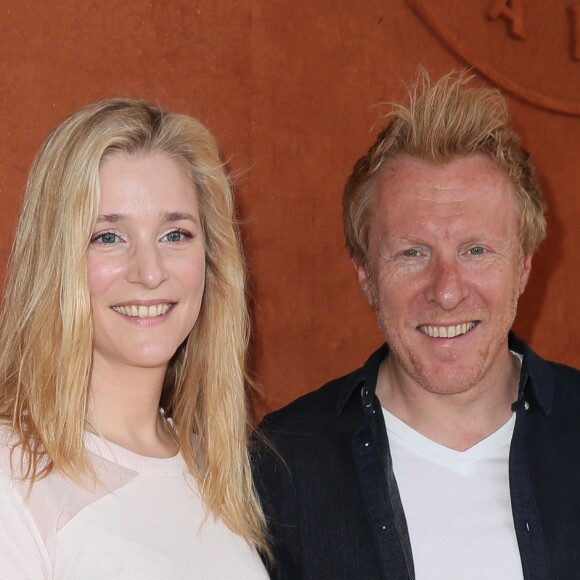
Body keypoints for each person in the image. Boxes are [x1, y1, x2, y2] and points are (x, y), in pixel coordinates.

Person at [253, 71, 580, 579]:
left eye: (476, 250)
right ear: (365, 273)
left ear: (523, 266)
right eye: (412, 253)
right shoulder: (282, 465)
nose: (447, 290)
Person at [0, 97, 269, 578]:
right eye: (108, 237)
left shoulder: (215, 468)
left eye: (175, 235)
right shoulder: (12, 471)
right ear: (56, 259)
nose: (149, 273)